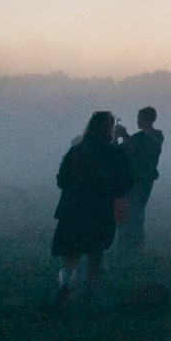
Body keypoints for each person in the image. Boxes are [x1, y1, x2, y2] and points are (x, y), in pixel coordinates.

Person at [53, 111, 134, 305]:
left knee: (71, 253)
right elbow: (126, 182)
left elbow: (62, 180)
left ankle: (66, 287)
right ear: (109, 129)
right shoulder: (114, 153)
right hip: (99, 210)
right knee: (95, 252)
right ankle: (92, 291)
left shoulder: (77, 150)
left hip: (72, 209)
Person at [117, 106, 164, 255]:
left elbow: (136, 147)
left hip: (142, 181)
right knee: (130, 211)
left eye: (140, 119)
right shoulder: (140, 137)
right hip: (132, 180)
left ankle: (134, 246)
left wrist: (123, 134)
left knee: (135, 211)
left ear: (147, 120)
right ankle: (129, 245)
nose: (138, 121)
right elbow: (122, 150)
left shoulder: (156, 137)